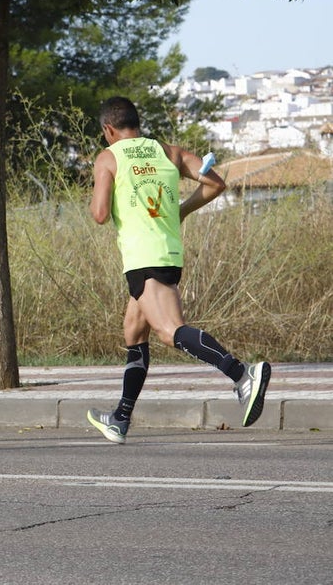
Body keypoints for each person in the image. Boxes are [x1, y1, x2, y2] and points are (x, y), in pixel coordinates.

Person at [86, 96, 270, 444]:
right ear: (136, 123)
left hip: (143, 257)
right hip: (169, 252)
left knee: (170, 331)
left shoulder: (108, 157)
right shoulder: (169, 152)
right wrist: (181, 210)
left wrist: (105, 187)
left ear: (109, 129)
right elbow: (216, 184)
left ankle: (242, 374)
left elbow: (98, 214)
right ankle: (120, 419)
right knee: (133, 332)